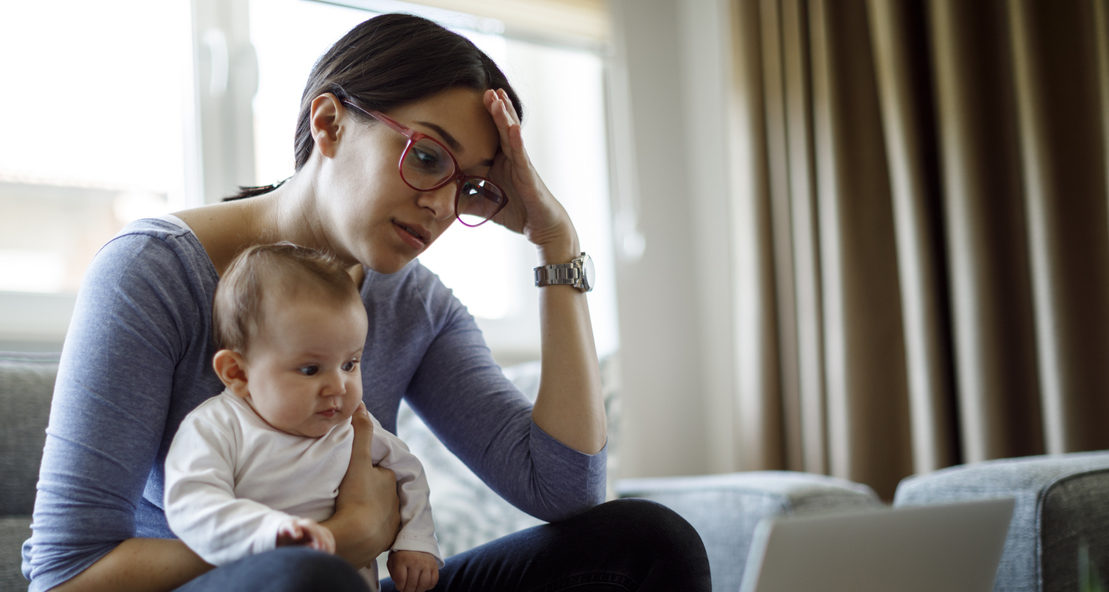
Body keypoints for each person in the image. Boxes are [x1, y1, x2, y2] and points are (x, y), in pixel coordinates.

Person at [22, 12, 711, 592]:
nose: (441, 207)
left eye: (470, 186)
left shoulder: (415, 304)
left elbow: (562, 489)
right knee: (304, 579)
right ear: (328, 122)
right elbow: (64, 573)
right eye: (429, 157)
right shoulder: (152, 272)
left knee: (645, 543)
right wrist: (337, 536)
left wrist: (555, 243)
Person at [163, 243, 441, 592]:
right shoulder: (219, 427)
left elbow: (409, 473)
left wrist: (415, 541)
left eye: (350, 364)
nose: (338, 386)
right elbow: (193, 504)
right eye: (311, 369)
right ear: (237, 373)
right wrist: (269, 533)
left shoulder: (352, 426)